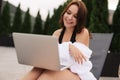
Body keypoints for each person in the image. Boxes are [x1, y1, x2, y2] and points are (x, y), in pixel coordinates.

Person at [21, 0, 96, 80]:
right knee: (37, 68)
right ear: (64, 13)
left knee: (43, 78)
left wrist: (66, 47)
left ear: (80, 20)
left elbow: (71, 60)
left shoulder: (83, 32)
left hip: (77, 74)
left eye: (75, 16)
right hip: (59, 69)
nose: (70, 17)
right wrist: (69, 47)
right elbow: (50, 54)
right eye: (68, 12)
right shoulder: (57, 33)